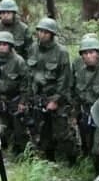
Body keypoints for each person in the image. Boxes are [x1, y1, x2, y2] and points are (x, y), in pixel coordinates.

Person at [21, 17, 77, 162]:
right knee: (42, 132)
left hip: (56, 98)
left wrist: (56, 101)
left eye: (46, 32)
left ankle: (73, 160)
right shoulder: (33, 48)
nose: (42, 34)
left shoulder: (61, 52)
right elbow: (29, 75)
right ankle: (49, 160)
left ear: (52, 34)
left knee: (62, 133)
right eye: (40, 31)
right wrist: (26, 98)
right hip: (38, 98)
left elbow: (65, 80)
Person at [71, 34, 99, 173]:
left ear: (98, 54)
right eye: (85, 53)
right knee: (89, 145)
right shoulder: (80, 73)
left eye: (91, 52)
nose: (88, 56)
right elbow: (76, 95)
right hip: (86, 114)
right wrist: (74, 114)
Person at [0, 30, 29, 151]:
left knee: (19, 129)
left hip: (15, 99)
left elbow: (26, 83)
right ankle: (1, 149)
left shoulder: (19, 61)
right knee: (0, 127)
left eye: (5, 44)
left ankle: (20, 152)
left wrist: (22, 102)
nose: (1, 47)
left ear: (10, 46)